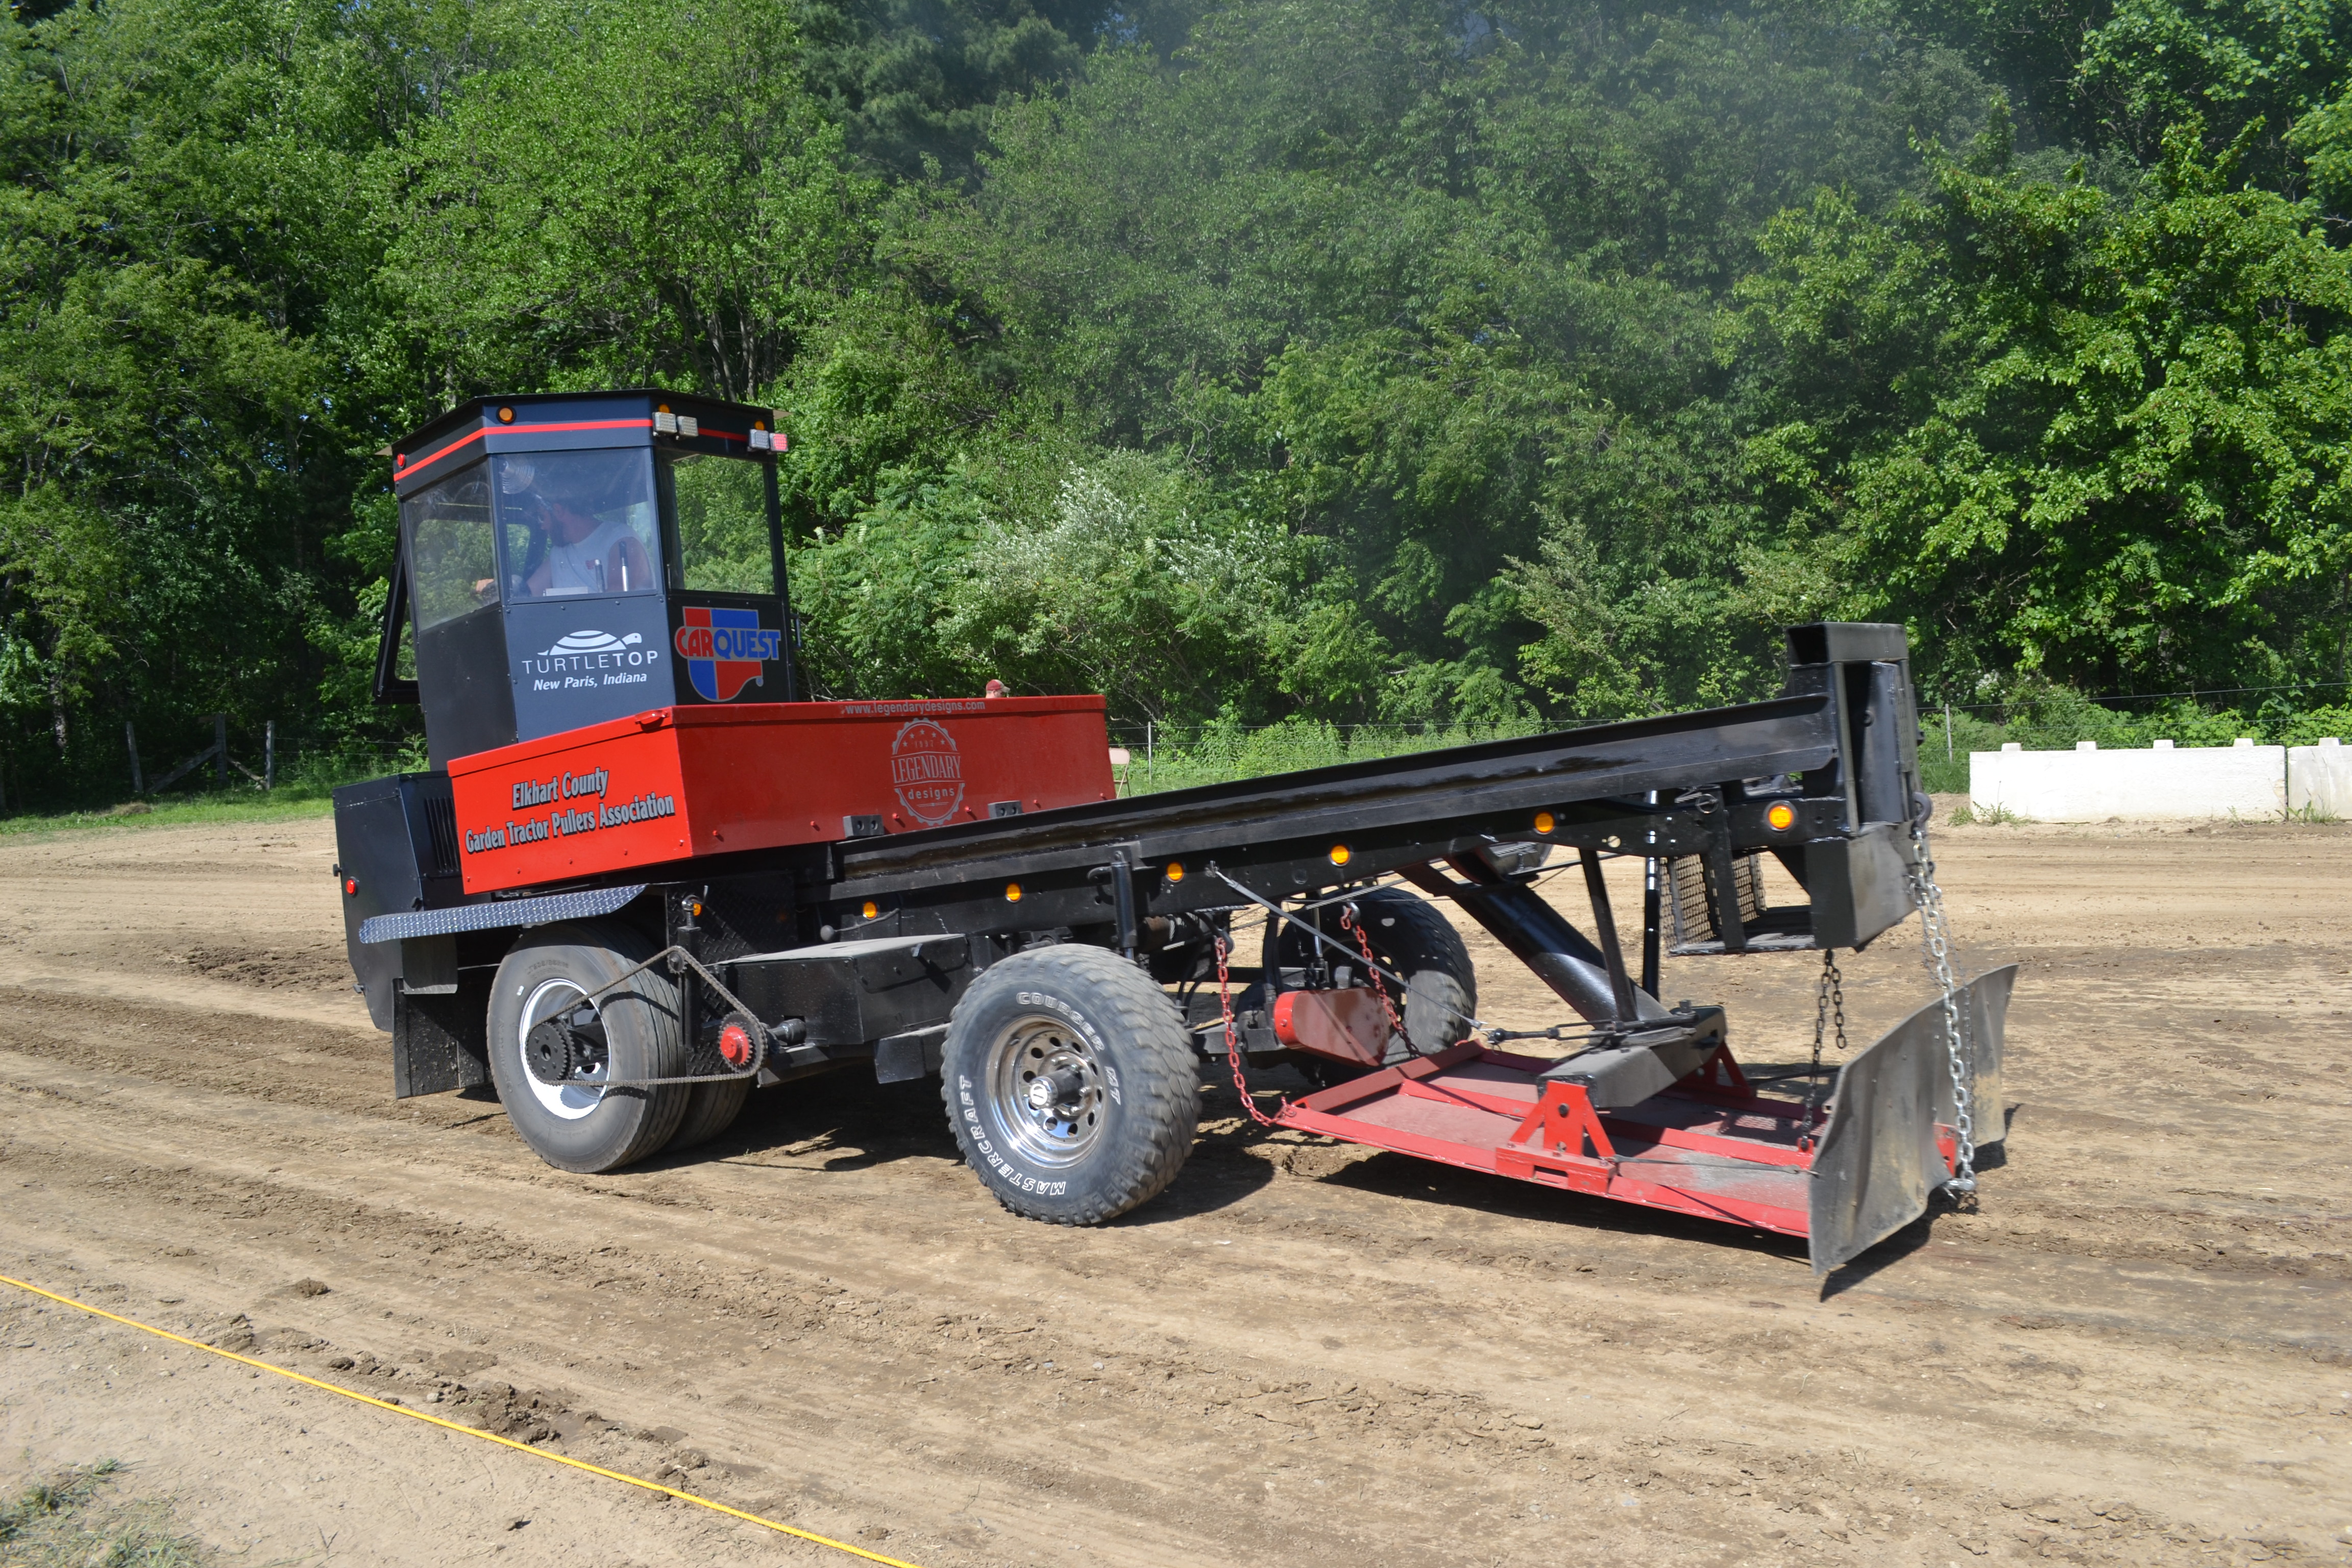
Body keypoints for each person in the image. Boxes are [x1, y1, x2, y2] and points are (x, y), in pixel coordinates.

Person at [499, 457, 655, 598]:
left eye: (541, 517)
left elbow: (618, 598)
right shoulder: (558, 554)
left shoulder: (620, 539)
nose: (543, 527)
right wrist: (498, 587)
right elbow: (527, 593)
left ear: (559, 511)